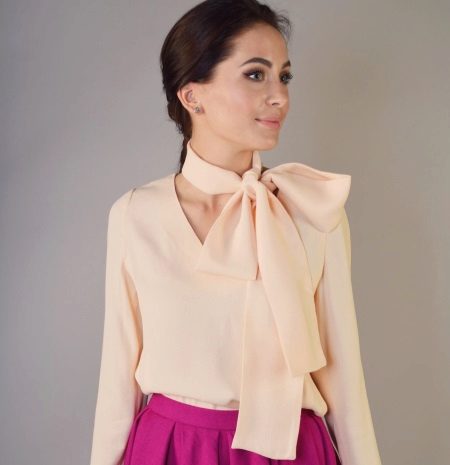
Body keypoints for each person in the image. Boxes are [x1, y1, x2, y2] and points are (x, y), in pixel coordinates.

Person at [89, 1, 383, 464]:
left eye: (284, 76)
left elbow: (344, 376)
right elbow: (116, 380)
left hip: (290, 450)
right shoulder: (136, 215)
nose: (279, 96)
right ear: (192, 95)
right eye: (255, 75)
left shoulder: (311, 209)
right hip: (171, 450)